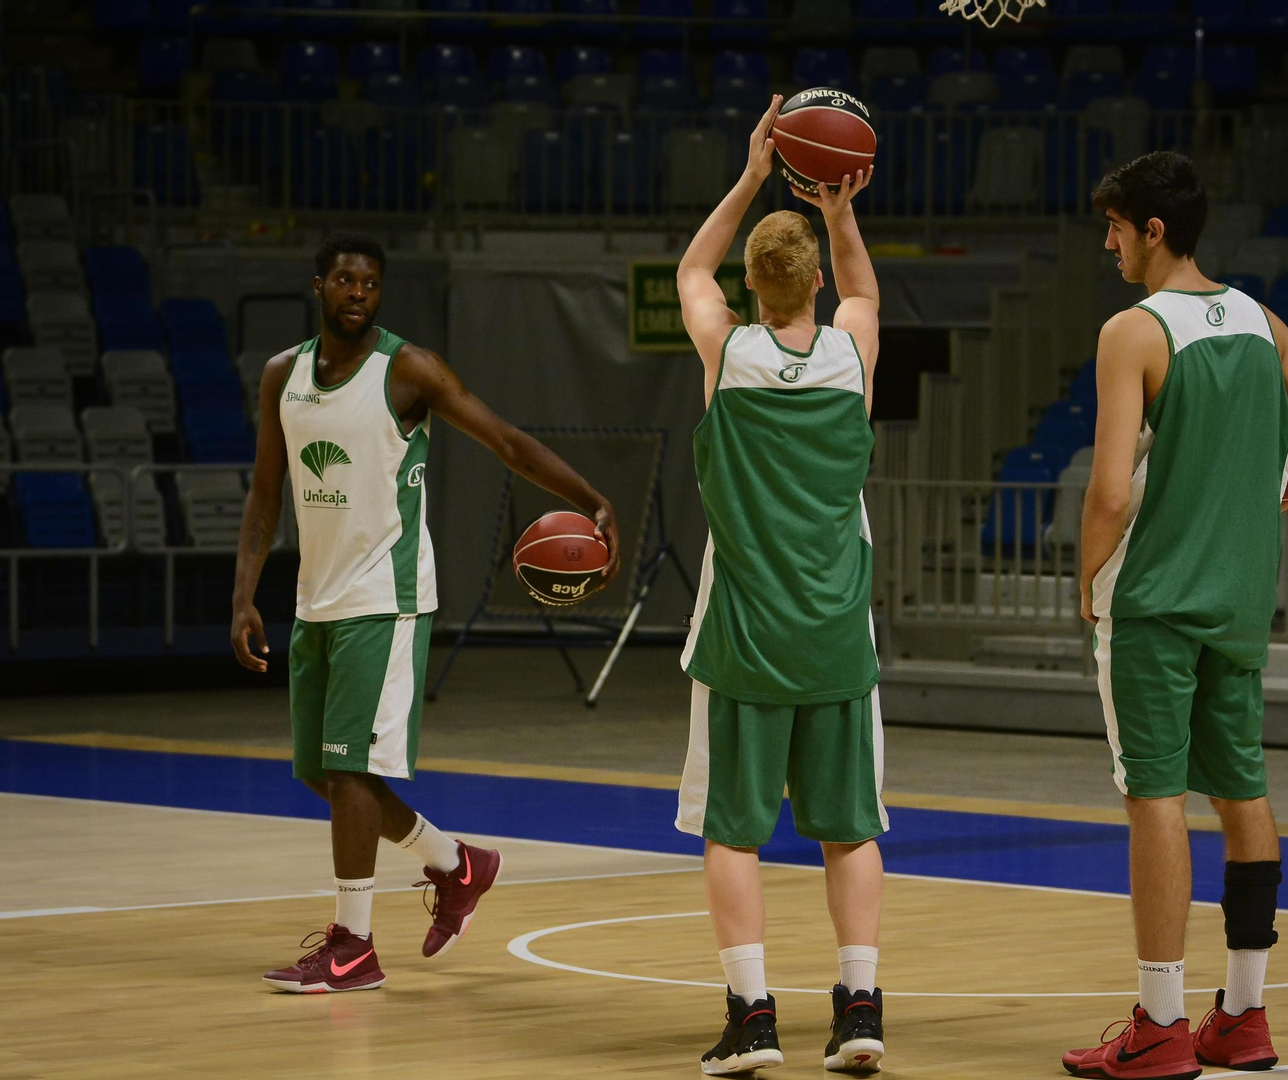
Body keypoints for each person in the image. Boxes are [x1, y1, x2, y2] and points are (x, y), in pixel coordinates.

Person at [231, 233, 620, 993]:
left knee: (348, 772)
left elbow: (505, 441)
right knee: (320, 772)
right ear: (320, 286)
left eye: (369, 284)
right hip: (318, 600)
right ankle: (457, 865)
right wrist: (245, 592)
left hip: (388, 598)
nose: (357, 294)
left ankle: (353, 946)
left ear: (379, 294)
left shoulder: (408, 370)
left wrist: (591, 499)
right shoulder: (283, 375)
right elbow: (264, 495)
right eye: (344, 280)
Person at [1062, 152, 1288, 1078]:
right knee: (1243, 794)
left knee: (1153, 798)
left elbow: (1111, 493)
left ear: (1152, 231)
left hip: (1155, 601)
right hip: (1236, 602)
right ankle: (1243, 1015)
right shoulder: (1260, 320)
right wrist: (1259, 505)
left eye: (1114, 226)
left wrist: (1084, 579)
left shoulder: (1134, 331)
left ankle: (1159, 1025)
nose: (1107, 241)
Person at [673, 96, 888, 1075]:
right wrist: (839, 210)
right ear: (811, 283)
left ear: (752, 284)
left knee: (733, 832)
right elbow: (867, 299)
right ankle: (857, 1009)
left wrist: (754, 171)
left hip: (748, 634)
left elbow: (688, 271)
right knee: (849, 831)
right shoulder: (849, 354)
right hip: (837, 631)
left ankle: (754, 1017)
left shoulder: (729, 352)